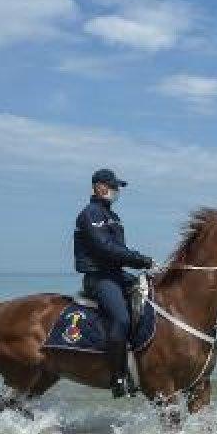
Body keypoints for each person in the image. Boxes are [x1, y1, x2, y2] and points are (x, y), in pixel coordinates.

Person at [73, 169, 154, 397]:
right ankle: (118, 376)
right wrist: (140, 260)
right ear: (99, 186)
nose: (117, 191)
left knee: (152, 296)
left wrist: (144, 264)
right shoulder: (90, 214)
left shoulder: (112, 216)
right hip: (99, 278)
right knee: (121, 317)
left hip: (116, 274)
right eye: (113, 186)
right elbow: (105, 248)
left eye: (117, 187)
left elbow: (120, 250)